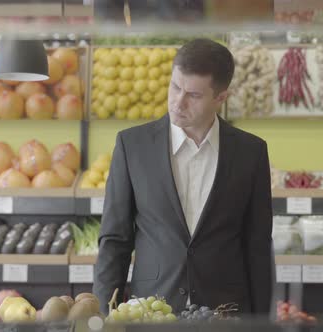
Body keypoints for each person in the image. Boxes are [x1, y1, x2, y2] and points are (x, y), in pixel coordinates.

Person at [93, 38, 274, 315]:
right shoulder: (132, 146)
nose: (178, 102)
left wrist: (262, 321)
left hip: (227, 311)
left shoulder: (251, 152)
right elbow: (114, 240)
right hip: (151, 310)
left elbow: (258, 244)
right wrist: (103, 316)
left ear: (221, 98)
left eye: (194, 95)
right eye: (175, 87)